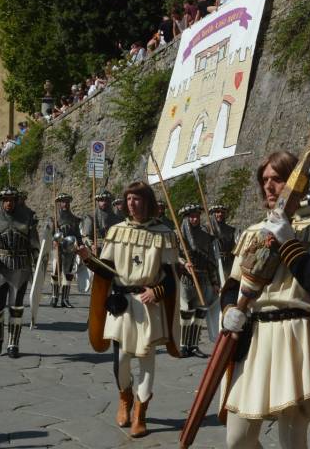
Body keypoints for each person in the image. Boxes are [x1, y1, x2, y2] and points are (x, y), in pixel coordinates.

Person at [219, 151, 310, 448]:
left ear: (295, 183)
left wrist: (289, 241)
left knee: (291, 439)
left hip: (293, 336)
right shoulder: (254, 232)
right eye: (264, 180)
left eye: (277, 179)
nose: (268, 186)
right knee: (237, 439)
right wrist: (229, 309)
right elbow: (233, 284)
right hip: (254, 338)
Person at [78, 181, 180, 438]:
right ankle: (125, 397)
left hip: (148, 306)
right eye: (129, 199)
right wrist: (88, 259)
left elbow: (170, 276)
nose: (132, 204)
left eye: (137, 199)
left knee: (147, 359)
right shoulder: (116, 231)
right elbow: (106, 271)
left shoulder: (163, 233)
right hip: (122, 305)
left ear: (147, 201)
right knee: (122, 360)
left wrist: (155, 291)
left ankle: (140, 413)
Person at [0, 187, 39, 358]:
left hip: (20, 267)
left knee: (16, 307)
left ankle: (13, 344)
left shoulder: (28, 219)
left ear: (16, 201)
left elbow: (35, 246)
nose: (8, 203)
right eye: (5, 199)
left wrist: (38, 266)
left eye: (12, 200)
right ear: (1, 201)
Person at [177, 203, 219, 357]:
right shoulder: (178, 235)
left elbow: (211, 261)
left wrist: (214, 282)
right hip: (187, 278)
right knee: (186, 312)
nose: (195, 218)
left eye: (196, 216)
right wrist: (183, 262)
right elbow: (173, 254)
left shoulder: (205, 235)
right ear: (186, 218)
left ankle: (194, 345)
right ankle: (183, 345)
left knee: (200, 312)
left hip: (203, 278)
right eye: (191, 216)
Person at [50, 193, 82, 308]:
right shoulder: (55, 218)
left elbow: (78, 236)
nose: (65, 204)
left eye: (67, 201)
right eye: (63, 201)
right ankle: (54, 297)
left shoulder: (74, 219)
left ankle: (65, 299)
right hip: (58, 249)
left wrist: (80, 245)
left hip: (70, 250)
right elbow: (49, 234)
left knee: (68, 274)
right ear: (59, 203)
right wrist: (53, 240)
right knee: (55, 273)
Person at [81, 190, 123, 256]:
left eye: (106, 200)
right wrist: (92, 246)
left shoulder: (117, 219)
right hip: (98, 251)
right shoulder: (91, 217)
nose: (104, 202)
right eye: (101, 200)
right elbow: (85, 237)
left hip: (114, 251)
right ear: (97, 201)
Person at [207, 204, 237, 279]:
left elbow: (233, 248)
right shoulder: (206, 230)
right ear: (212, 214)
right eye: (217, 212)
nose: (220, 214)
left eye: (222, 212)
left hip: (228, 262)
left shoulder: (230, 230)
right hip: (214, 263)